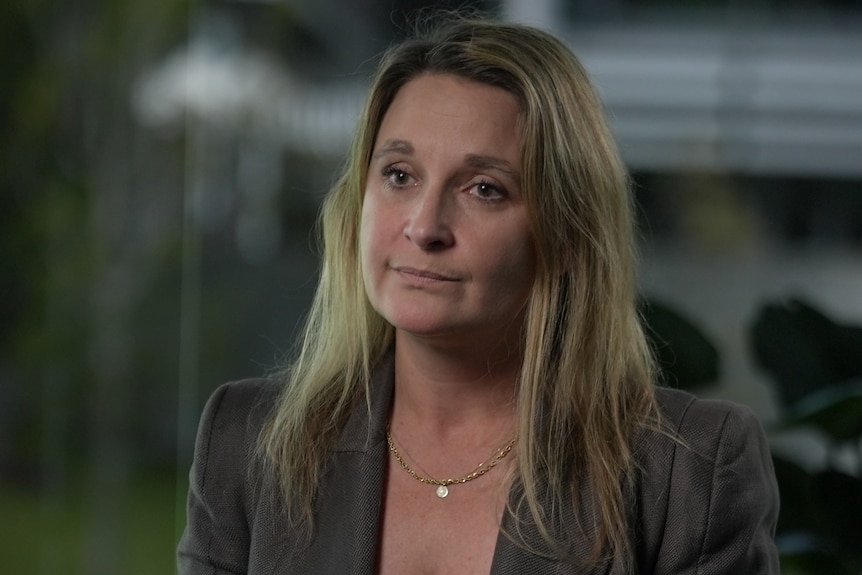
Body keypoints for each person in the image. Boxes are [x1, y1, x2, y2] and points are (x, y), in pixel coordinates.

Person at [177, 13, 780, 575]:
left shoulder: (692, 472)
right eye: (399, 175)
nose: (424, 226)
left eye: (484, 188)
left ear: (567, 232)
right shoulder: (247, 441)